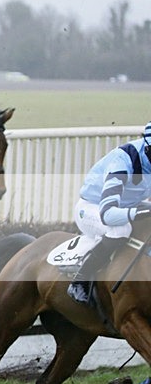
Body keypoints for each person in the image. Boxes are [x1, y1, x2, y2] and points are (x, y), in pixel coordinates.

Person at [68, 120, 151, 304]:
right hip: (92, 208)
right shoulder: (123, 162)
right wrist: (141, 213)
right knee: (121, 230)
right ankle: (80, 280)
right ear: (147, 148)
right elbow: (108, 214)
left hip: (126, 206)